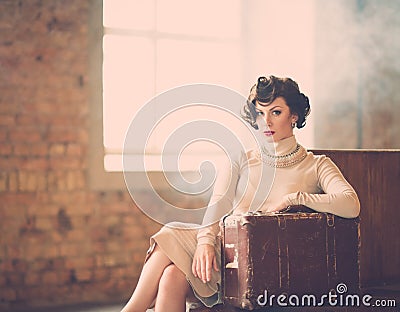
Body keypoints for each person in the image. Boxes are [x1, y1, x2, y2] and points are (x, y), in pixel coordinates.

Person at [120, 75, 360, 312]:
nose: (266, 122)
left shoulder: (316, 164)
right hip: (222, 253)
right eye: (260, 113)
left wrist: (294, 199)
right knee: (172, 269)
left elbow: (351, 204)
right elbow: (219, 202)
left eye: (276, 112)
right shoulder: (241, 158)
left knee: (172, 270)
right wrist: (204, 243)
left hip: (263, 268)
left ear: (293, 116)